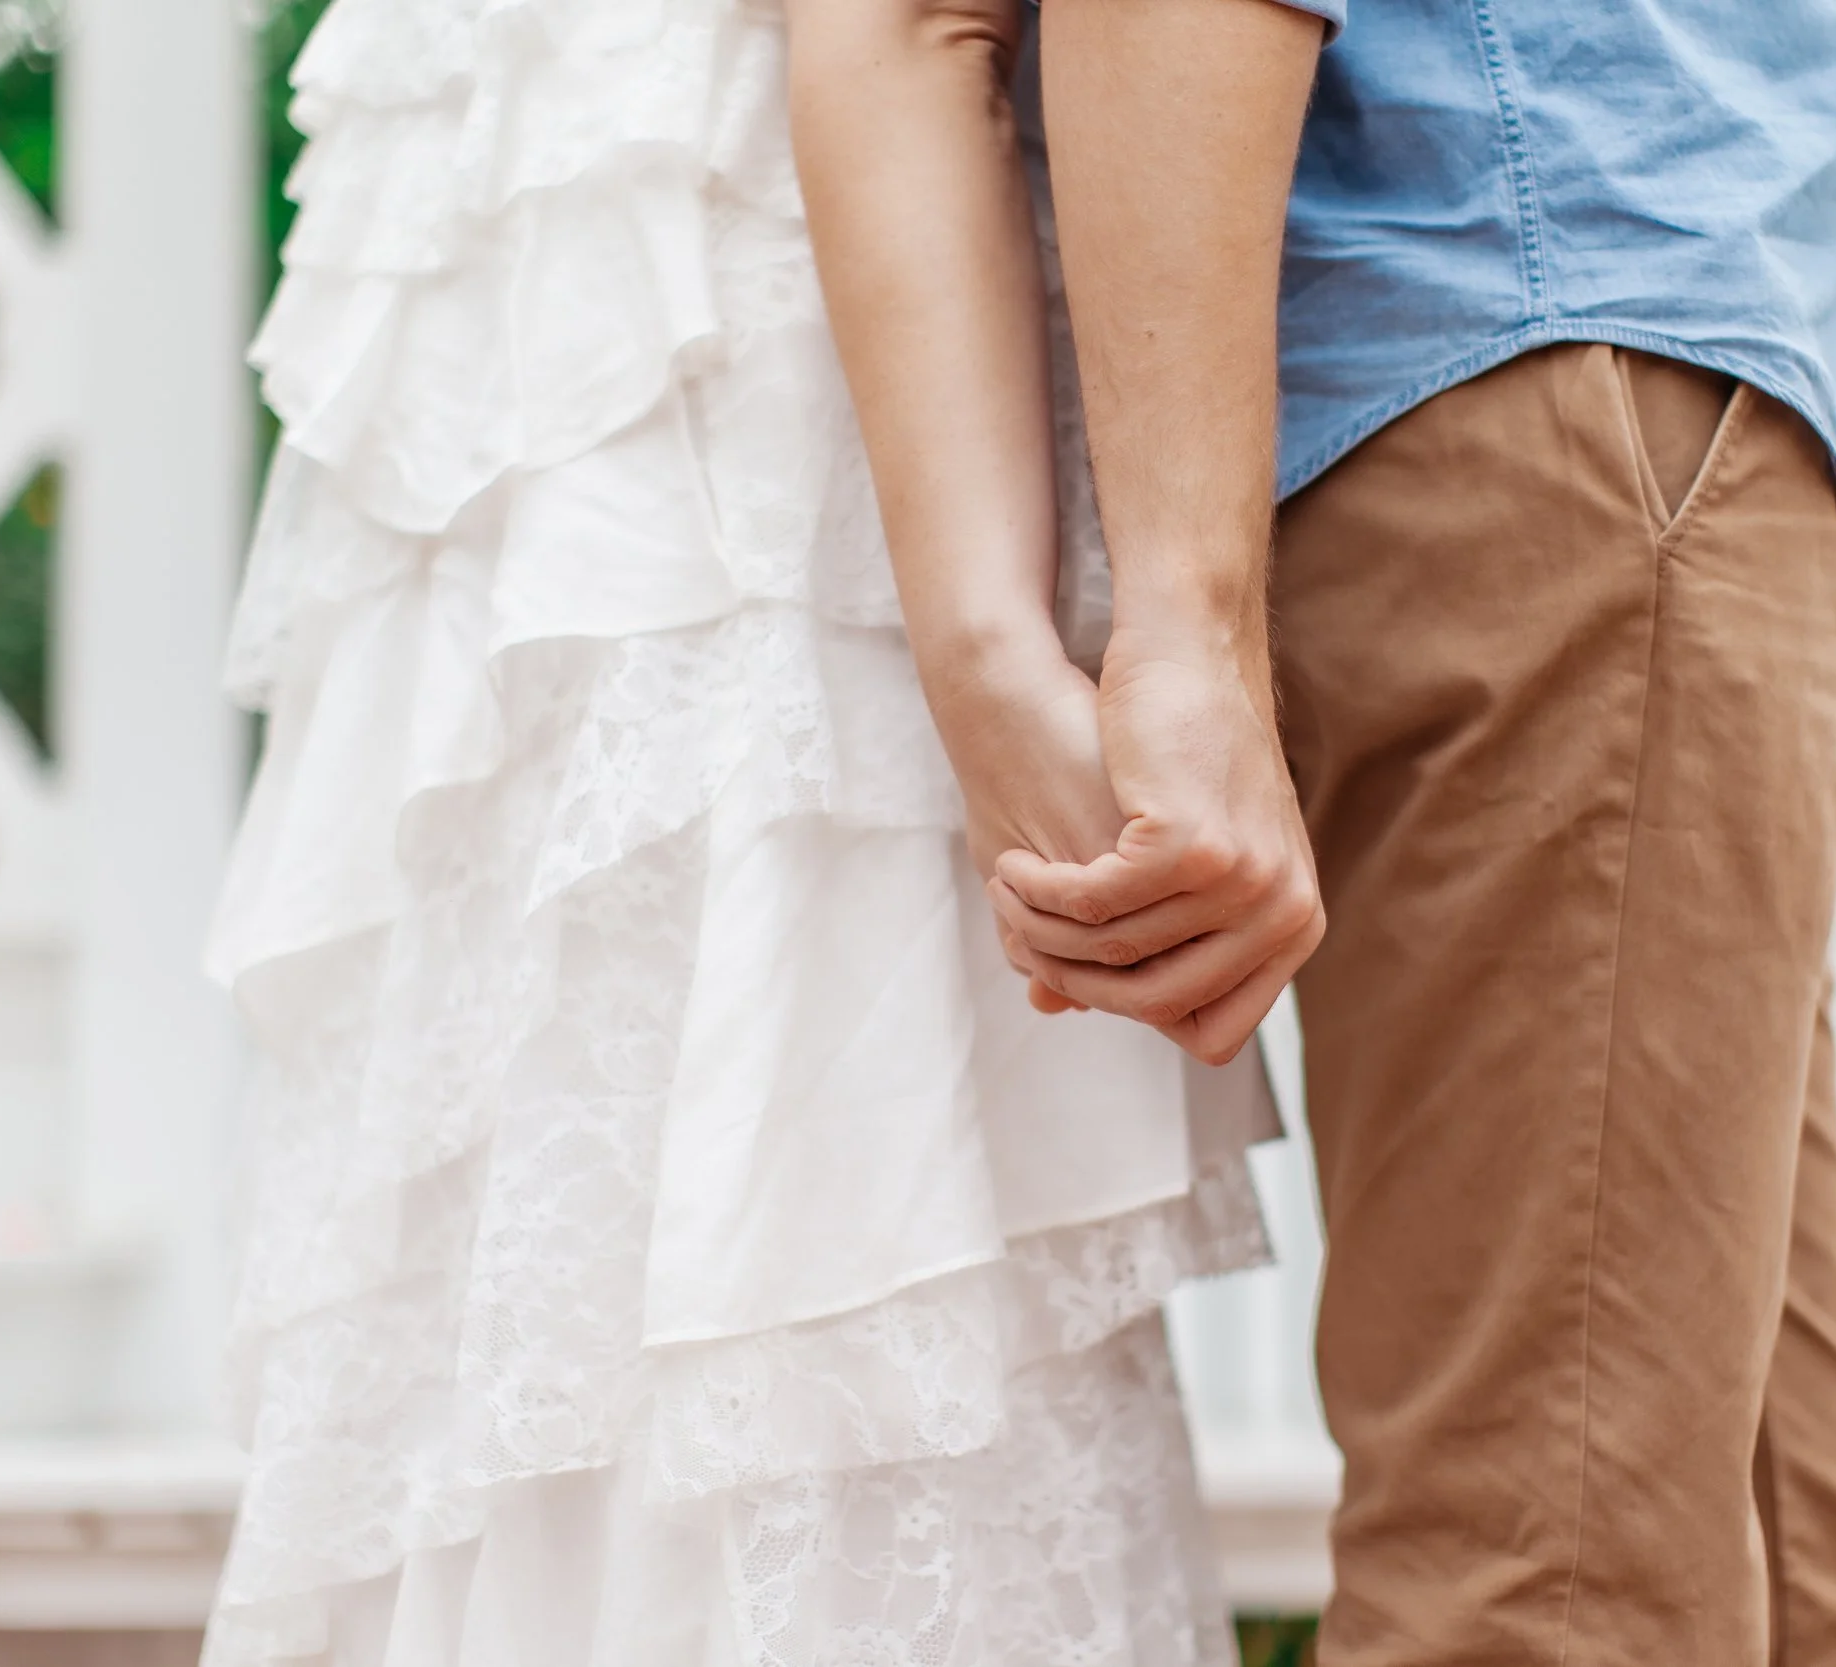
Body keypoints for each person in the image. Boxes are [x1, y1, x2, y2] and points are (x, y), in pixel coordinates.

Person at [199, 0, 1279, 1660]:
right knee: (774, 1243)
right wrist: (995, 655)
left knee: (638, 1263)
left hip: (567, 324)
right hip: (750, 386)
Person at [992, 0, 1836, 1662]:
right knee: (1552, 1589)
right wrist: (1187, 624)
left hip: (1603, 376)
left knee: (1785, 1574)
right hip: (1547, 362)